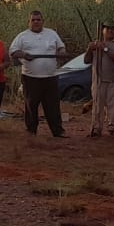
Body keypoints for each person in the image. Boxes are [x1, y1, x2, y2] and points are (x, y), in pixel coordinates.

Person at [9, 10, 69, 138]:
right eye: (33, 20)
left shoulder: (52, 34)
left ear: (43, 21)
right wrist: (24, 54)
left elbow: (61, 47)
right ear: (28, 22)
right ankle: (31, 131)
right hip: (31, 78)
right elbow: (13, 51)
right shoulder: (22, 36)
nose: (36, 22)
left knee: (53, 106)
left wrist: (62, 52)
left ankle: (57, 131)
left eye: (38, 20)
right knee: (31, 105)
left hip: (50, 77)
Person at [85, 21, 114, 137]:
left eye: (113, 29)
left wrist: (105, 48)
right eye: (107, 28)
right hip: (98, 80)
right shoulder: (96, 44)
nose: (110, 31)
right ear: (103, 31)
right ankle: (96, 128)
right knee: (97, 105)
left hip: (113, 80)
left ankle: (113, 128)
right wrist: (89, 48)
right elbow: (86, 60)